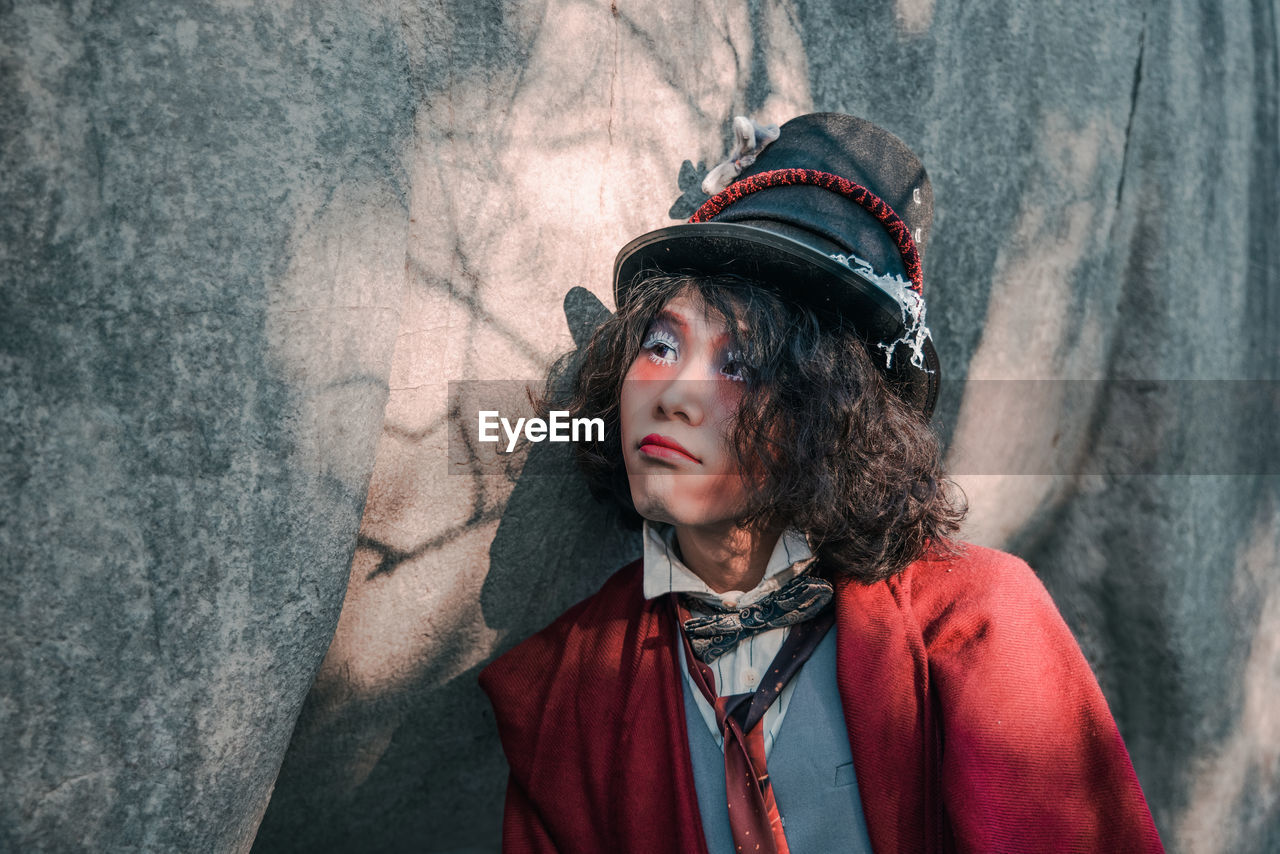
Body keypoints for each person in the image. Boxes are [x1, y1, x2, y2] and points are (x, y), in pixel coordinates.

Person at [479, 113, 1164, 853]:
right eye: (662, 343)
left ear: (832, 413)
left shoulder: (976, 623)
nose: (674, 393)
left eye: (741, 364)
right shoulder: (571, 686)